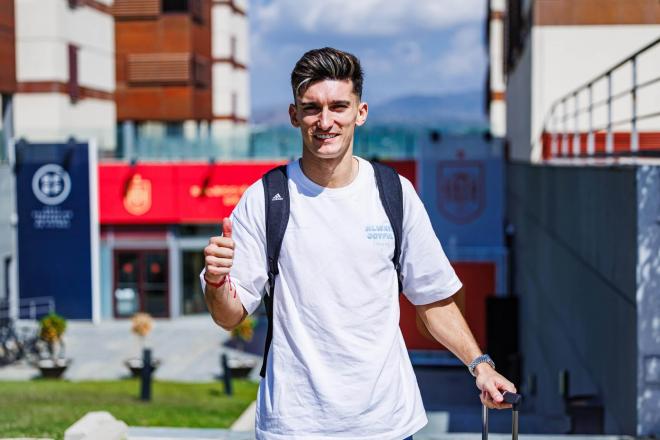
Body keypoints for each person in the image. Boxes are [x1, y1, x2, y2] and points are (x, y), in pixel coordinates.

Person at [202, 47, 516, 440]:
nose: (325, 121)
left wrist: (481, 366)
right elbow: (229, 315)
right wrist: (217, 282)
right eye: (312, 108)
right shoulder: (265, 198)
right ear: (294, 115)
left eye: (338, 106)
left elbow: (433, 299)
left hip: (386, 424)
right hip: (295, 426)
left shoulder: (393, 194)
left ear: (360, 112)